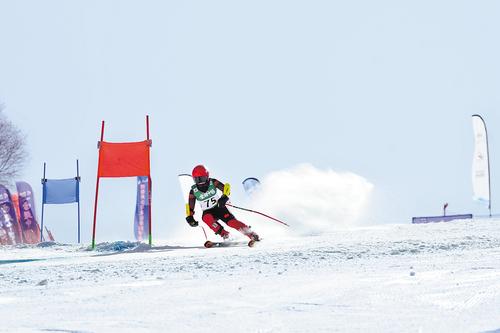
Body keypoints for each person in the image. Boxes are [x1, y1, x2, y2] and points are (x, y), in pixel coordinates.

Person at [186, 165, 260, 243]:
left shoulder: (213, 182)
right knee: (206, 218)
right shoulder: (193, 191)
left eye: (202, 179)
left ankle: (251, 234)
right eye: (197, 180)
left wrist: (224, 197)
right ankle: (225, 235)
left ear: (207, 176)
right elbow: (191, 204)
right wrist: (190, 217)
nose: (200, 182)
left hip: (219, 207)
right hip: (208, 211)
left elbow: (225, 188)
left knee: (231, 222)